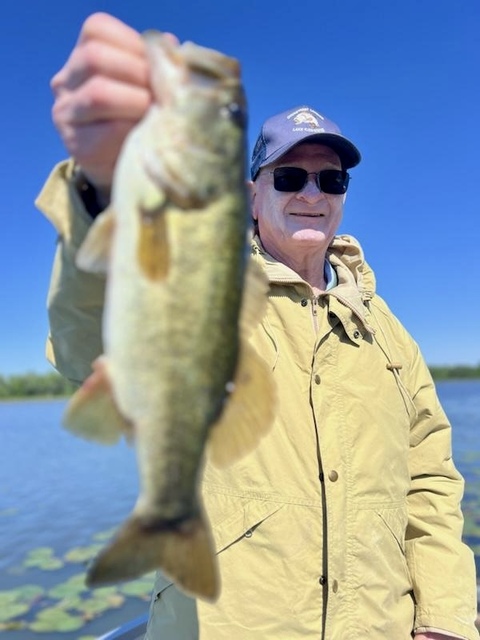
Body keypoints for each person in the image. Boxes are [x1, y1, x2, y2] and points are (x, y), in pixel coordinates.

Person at [36, 12, 479, 640]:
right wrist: (99, 187)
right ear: (251, 193)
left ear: (344, 193)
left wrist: (445, 616)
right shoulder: (199, 280)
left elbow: (431, 482)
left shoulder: (389, 335)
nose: (312, 193)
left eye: (331, 179)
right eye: (291, 177)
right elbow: (90, 336)